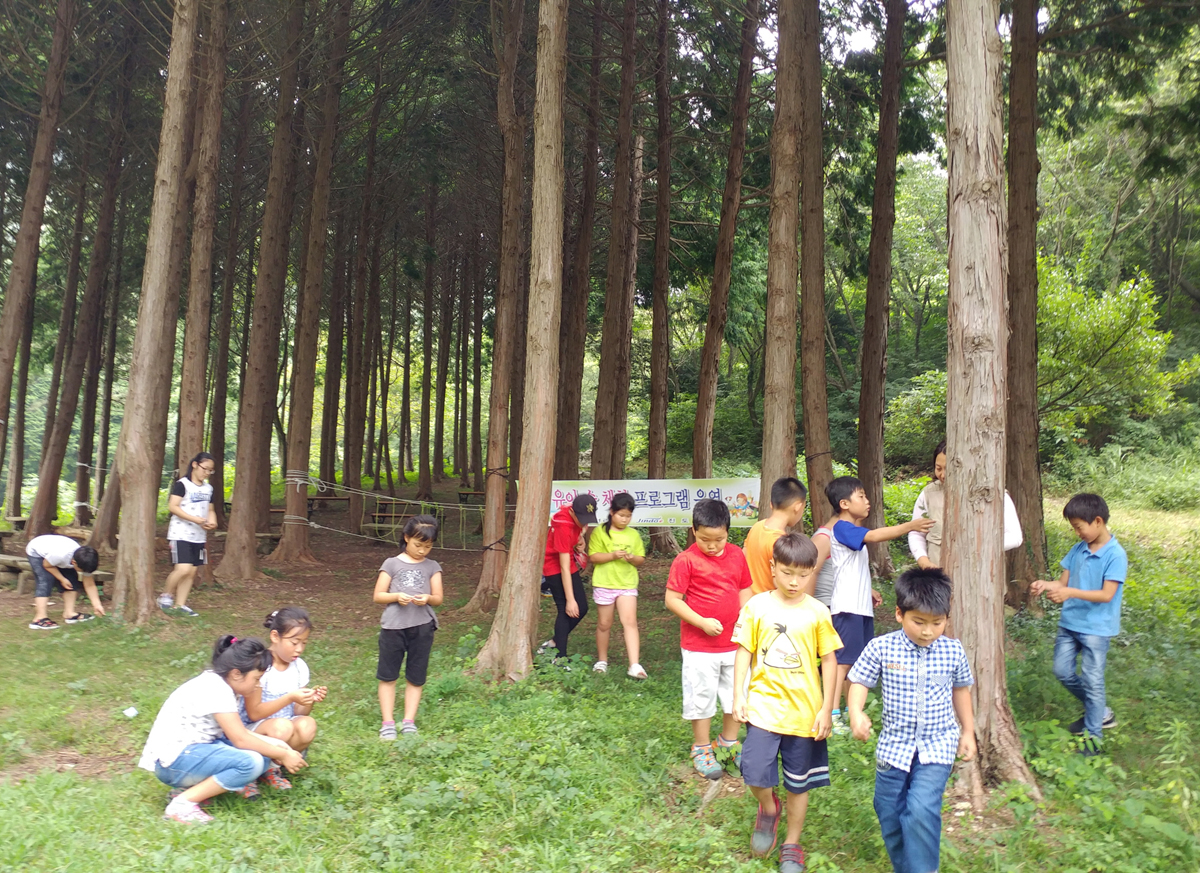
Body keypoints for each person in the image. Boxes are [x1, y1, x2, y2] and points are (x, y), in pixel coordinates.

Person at [846, 568, 976, 873]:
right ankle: (906, 867)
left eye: (937, 623)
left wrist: (968, 731)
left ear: (947, 618)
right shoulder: (882, 647)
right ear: (900, 614)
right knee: (889, 812)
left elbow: (961, 690)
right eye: (919, 622)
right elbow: (859, 681)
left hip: (938, 745)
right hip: (894, 746)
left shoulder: (952, 650)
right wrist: (855, 711)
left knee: (920, 809)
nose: (928, 631)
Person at [732, 533, 842, 873]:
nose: (795, 582)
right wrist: (738, 694)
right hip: (763, 709)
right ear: (773, 568)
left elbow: (830, 661)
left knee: (799, 782)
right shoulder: (757, 606)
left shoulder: (818, 612)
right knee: (752, 769)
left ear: (811, 573)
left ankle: (792, 843)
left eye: (803, 575)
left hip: (804, 715)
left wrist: (828, 709)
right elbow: (744, 651)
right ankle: (767, 808)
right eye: (787, 572)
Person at [139, 635, 308, 824]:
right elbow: (240, 739)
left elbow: (236, 734)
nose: (258, 685)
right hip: (173, 762)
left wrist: (277, 746)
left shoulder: (221, 683)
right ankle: (181, 805)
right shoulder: (216, 689)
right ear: (237, 673)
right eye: (257, 679)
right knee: (250, 762)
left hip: (194, 752)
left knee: (264, 749)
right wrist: (283, 755)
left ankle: (192, 790)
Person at [813, 476, 934, 733]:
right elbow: (876, 535)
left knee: (855, 662)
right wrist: (910, 526)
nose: (867, 502)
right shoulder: (842, 528)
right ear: (844, 503)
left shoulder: (851, 530)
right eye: (861, 496)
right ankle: (831, 714)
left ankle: (848, 712)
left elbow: (850, 568)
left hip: (860, 608)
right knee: (842, 662)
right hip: (846, 608)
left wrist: (868, 590)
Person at [1031, 493, 1127, 754]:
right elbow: (1063, 583)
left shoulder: (1115, 555)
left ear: (1097, 521)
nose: (1077, 533)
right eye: (1073, 528)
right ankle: (1100, 710)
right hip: (1070, 624)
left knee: (1093, 681)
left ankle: (1092, 741)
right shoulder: (1078, 550)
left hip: (1097, 629)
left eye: (1078, 527)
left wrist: (1070, 593)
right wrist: (1045, 585)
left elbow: (1107, 595)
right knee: (1062, 672)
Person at [665, 498, 754, 779]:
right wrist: (701, 622)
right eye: (706, 540)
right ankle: (702, 748)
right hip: (699, 647)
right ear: (693, 531)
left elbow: (744, 590)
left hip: (734, 645)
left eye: (720, 539)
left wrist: (746, 618)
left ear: (728, 532)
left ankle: (728, 744)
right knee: (701, 697)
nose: (713, 546)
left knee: (735, 696)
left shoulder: (737, 555)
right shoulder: (686, 560)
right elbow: (672, 600)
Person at [239, 607, 327, 789]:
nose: (299, 649)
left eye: (304, 643)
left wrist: (308, 699)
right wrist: (289, 697)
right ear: (275, 637)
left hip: (283, 726)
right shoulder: (261, 666)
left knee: (307, 724)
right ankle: (250, 769)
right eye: (294, 642)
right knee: (283, 727)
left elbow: (298, 712)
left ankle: (272, 768)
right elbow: (254, 713)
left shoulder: (299, 667)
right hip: (253, 730)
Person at [374, 515, 444, 740]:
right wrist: (396, 596)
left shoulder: (433, 566)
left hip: (422, 627)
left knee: (416, 675)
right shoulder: (391, 563)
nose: (422, 551)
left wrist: (428, 598)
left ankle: (408, 722)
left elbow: (438, 598)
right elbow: (378, 595)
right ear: (406, 538)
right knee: (388, 675)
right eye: (418, 545)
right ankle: (387, 723)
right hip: (393, 627)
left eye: (428, 546)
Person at [909, 439, 1023, 568]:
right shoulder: (929, 494)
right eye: (938, 468)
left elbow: (1015, 537)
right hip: (938, 579)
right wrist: (924, 562)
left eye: (949, 469)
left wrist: (980, 546)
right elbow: (916, 532)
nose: (943, 475)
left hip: (980, 573)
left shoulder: (994, 494)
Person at [587, 492, 648, 678]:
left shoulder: (634, 534)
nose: (625, 519)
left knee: (630, 622)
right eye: (621, 515)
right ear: (612, 512)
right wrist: (612, 556)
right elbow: (594, 557)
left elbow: (641, 559)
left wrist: (631, 558)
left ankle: (634, 665)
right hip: (604, 583)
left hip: (627, 583)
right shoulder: (600, 531)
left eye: (628, 516)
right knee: (604, 623)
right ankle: (602, 660)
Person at [158, 452, 218, 617]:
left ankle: (180, 605)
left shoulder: (208, 488)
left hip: (199, 536)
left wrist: (212, 521)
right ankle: (165, 595)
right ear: (195, 465)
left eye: (210, 471)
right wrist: (194, 519)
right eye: (205, 469)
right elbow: (173, 506)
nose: (206, 473)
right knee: (183, 569)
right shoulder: (182, 484)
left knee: (192, 572)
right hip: (180, 534)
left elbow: (210, 509)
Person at [540, 493, 599, 661]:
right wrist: (570, 599)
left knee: (583, 608)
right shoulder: (563, 527)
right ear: (572, 512)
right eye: (581, 518)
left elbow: (582, 529)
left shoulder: (580, 517)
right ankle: (559, 658)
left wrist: (581, 540)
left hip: (568, 562)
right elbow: (563, 568)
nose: (584, 521)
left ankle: (553, 643)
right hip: (553, 566)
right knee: (566, 609)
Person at [744, 477, 808, 595]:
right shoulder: (781, 542)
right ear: (798, 507)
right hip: (770, 605)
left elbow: (743, 557)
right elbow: (781, 583)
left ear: (771, 504)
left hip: (750, 602)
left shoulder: (757, 527)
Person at [27, 534, 103, 630]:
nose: (84, 572)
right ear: (74, 563)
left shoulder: (85, 559)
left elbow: (89, 585)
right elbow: (47, 565)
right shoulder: (60, 555)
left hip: (57, 555)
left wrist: (97, 605)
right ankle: (39, 618)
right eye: (82, 570)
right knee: (45, 580)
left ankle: (69, 613)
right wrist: (62, 579)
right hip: (37, 551)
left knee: (72, 580)